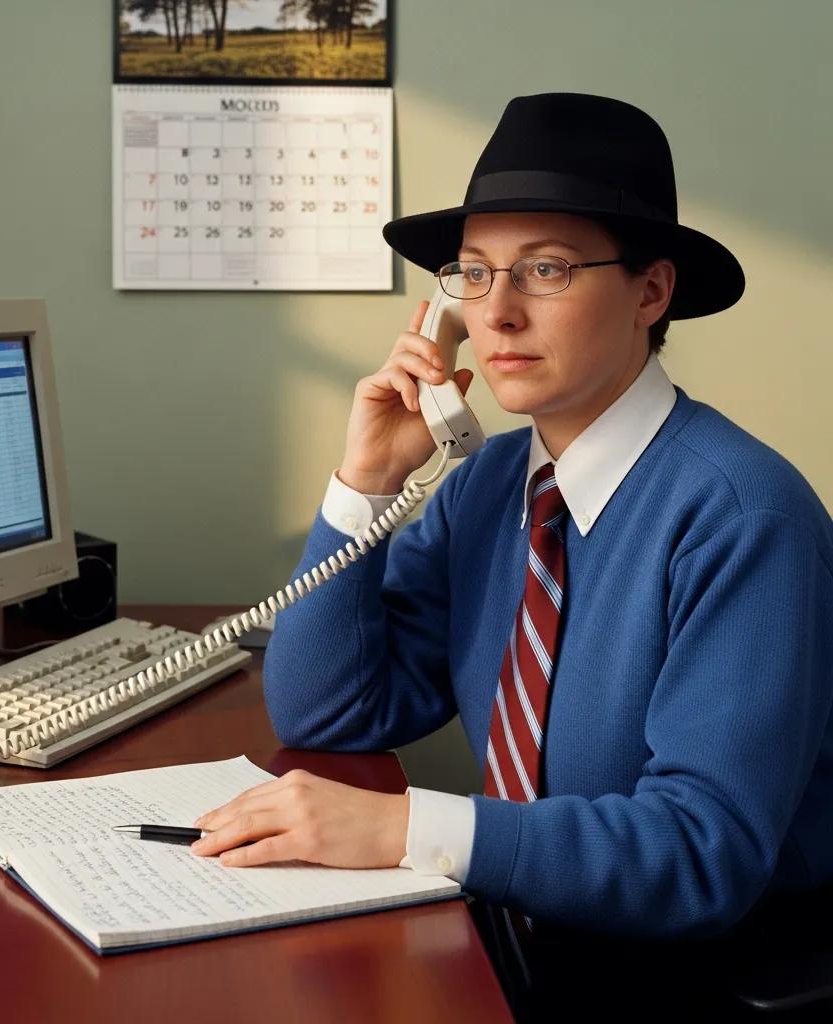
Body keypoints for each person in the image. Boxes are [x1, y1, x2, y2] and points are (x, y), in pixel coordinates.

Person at [189, 93, 833, 1019]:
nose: (498, 315)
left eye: (547, 270)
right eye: (473, 274)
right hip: (521, 937)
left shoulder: (743, 516)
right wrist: (364, 481)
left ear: (652, 292)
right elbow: (331, 708)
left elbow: (701, 853)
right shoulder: (492, 483)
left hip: (689, 975)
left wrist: (403, 825)